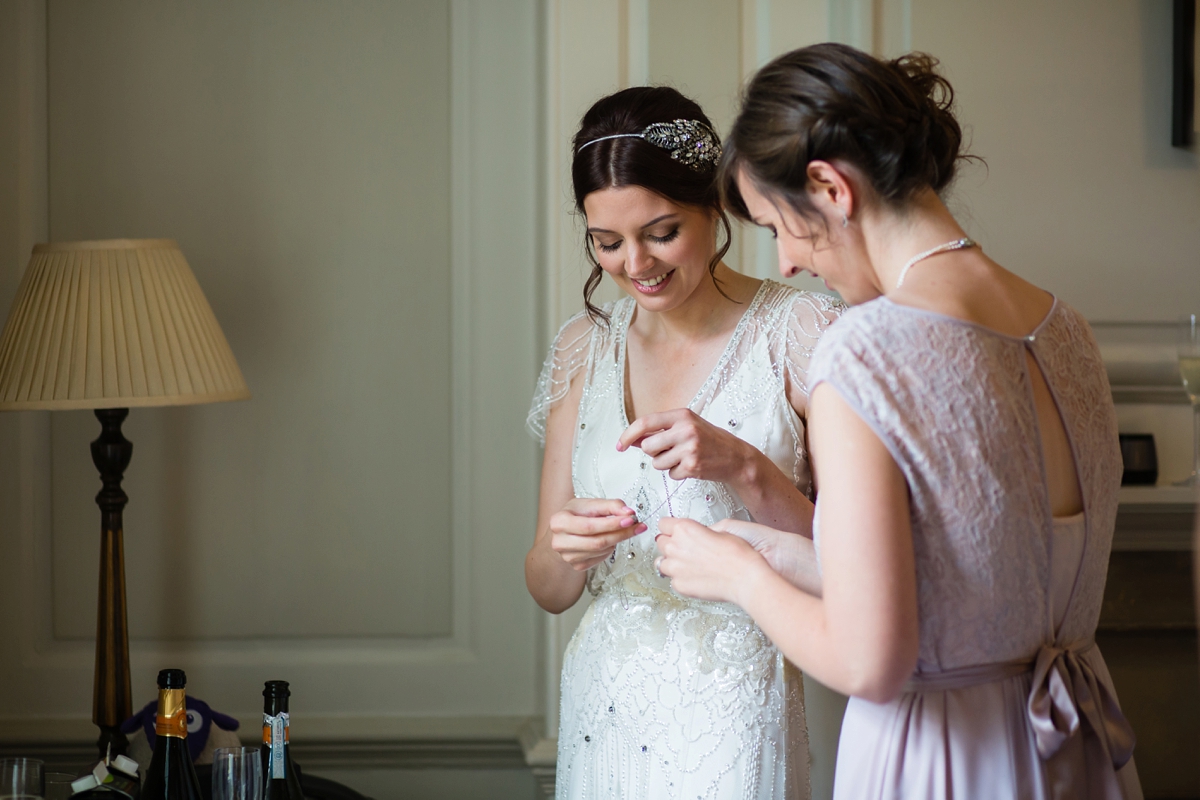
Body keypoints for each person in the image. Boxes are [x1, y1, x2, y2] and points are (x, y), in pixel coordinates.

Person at [655, 43, 1143, 799]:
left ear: (828, 186)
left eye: (777, 224)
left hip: (941, 756)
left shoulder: (867, 350)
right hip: (1069, 746)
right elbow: (984, 583)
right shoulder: (1064, 328)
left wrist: (740, 577)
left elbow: (868, 661)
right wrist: (782, 552)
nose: (784, 261)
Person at [525, 86, 841, 800]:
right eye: (607, 243)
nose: (635, 264)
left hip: (743, 696)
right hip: (605, 701)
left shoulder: (799, 330)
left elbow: (857, 564)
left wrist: (745, 467)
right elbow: (547, 586)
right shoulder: (583, 347)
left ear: (715, 206)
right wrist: (567, 547)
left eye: (661, 231)